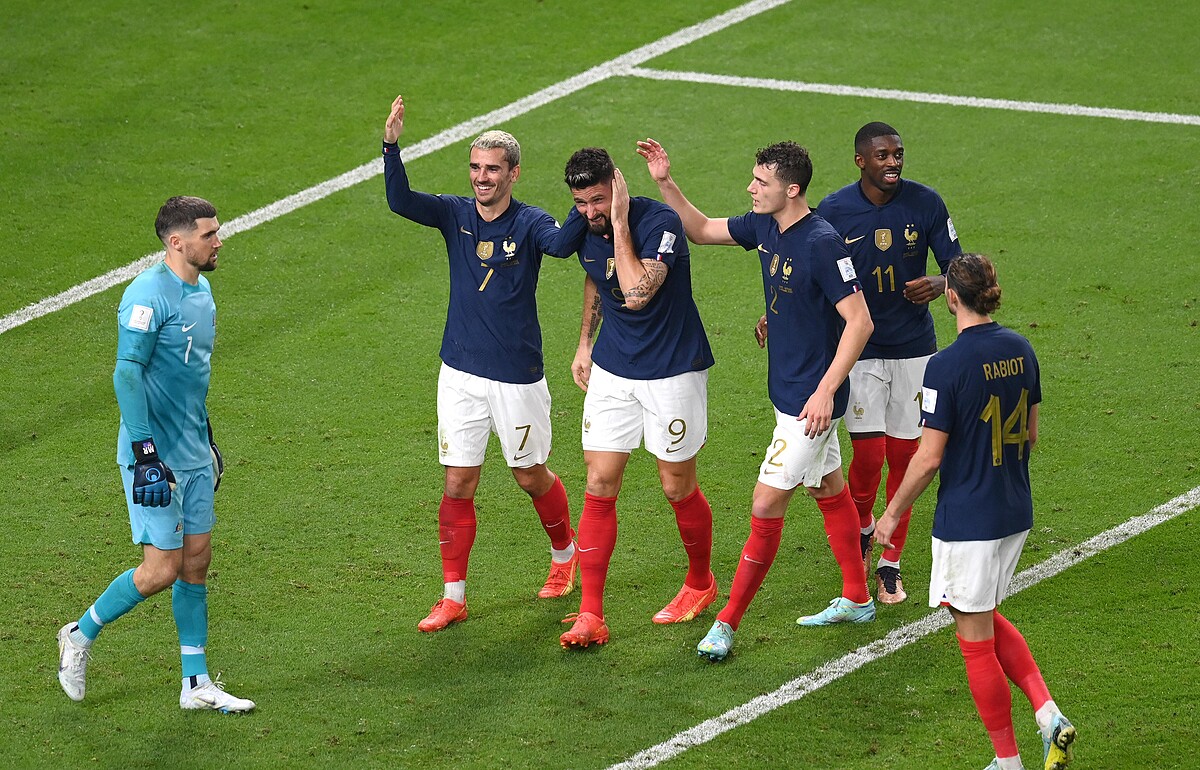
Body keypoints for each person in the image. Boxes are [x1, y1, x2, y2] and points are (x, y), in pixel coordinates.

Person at [636, 138, 875, 663]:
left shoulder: (823, 243)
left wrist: (825, 392)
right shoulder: (765, 226)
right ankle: (858, 598)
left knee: (766, 503)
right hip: (788, 392)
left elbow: (860, 322)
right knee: (828, 487)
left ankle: (726, 622)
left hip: (810, 403)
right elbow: (701, 229)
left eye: (761, 181)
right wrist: (665, 182)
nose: (750, 187)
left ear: (792, 189)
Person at [382, 95, 578, 632]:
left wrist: (587, 206)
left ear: (513, 173)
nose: (481, 178)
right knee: (457, 482)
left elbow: (562, 247)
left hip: (516, 376)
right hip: (460, 373)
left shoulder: (531, 222)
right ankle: (453, 596)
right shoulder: (455, 214)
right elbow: (400, 201)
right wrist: (391, 146)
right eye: (475, 167)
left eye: (492, 169)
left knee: (529, 475)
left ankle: (565, 554)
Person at [874, 254, 1075, 770]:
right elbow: (1031, 435)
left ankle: (1007, 762)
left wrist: (891, 515)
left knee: (974, 640)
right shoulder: (1022, 349)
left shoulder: (944, 366)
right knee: (975, 612)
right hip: (1014, 509)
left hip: (969, 519)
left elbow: (928, 458)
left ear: (950, 297)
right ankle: (1048, 715)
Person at [56, 196, 255, 712]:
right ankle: (79, 634)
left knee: (196, 562)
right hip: (154, 459)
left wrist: (206, 436)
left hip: (194, 451)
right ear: (178, 242)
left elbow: (190, 376)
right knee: (161, 570)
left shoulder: (203, 291)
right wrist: (145, 454)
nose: (219, 241)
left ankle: (195, 685)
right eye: (209, 234)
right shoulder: (146, 296)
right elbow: (127, 373)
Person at [556, 147, 718, 649]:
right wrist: (585, 342)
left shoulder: (658, 222)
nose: (590, 212)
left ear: (617, 188)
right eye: (580, 203)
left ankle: (700, 583)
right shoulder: (586, 223)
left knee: (676, 486)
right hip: (613, 370)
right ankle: (591, 613)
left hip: (672, 371)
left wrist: (621, 221)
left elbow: (636, 292)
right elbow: (595, 273)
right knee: (598, 482)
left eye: (598, 200)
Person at [816, 121, 962, 604]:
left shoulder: (927, 203)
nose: (893, 162)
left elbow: (958, 265)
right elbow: (814, 271)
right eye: (882, 156)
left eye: (897, 154)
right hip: (858, 351)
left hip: (915, 349)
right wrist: (776, 316)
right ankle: (863, 527)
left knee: (905, 458)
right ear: (861, 161)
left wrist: (940, 283)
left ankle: (890, 564)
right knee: (868, 457)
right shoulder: (834, 210)